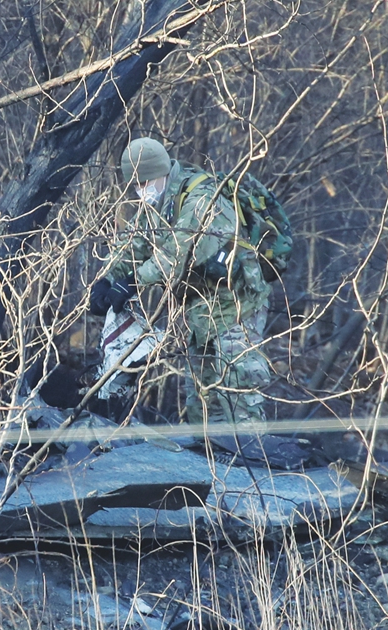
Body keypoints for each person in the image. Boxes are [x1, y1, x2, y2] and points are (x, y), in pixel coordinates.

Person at [91, 137, 282, 460]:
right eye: (135, 185)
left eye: (144, 182)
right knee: (202, 396)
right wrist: (107, 278)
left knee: (238, 388)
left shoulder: (201, 199)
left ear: (160, 172)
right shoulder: (159, 203)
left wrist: (132, 282)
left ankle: (254, 468)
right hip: (200, 310)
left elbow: (177, 255)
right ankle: (217, 464)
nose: (140, 190)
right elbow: (133, 245)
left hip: (237, 305)